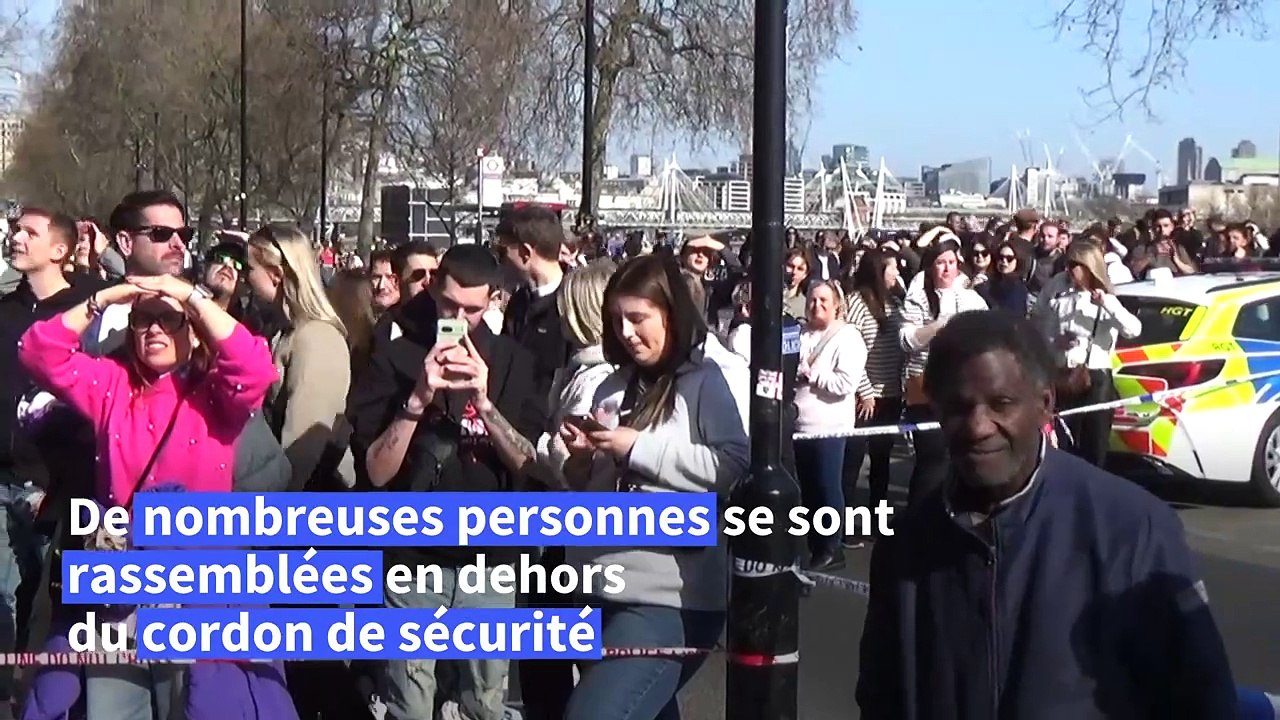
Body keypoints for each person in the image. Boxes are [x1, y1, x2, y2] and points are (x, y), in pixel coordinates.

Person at [856, 310, 1237, 719]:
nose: (978, 425)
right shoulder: (907, 545)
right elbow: (882, 697)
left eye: (1001, 404)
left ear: (1045, 404)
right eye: (959, 407)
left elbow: (1201, 698)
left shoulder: (1133, 529)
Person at [560, 253, 748, 720]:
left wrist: (636, 448)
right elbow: (585, 485)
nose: (626, 332)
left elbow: (733, 464)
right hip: (595, 584)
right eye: (617, 320)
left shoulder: (703, 383)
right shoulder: (610, 387)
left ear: (671, 314)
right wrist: (581, 460)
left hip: (664, 597)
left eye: (638, 318)